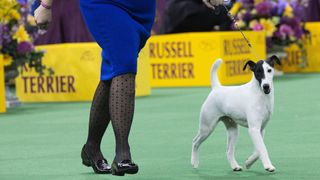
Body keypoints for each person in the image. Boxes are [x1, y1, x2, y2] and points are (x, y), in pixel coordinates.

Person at [34, 0, 225, 176]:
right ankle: (122, 154)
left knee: (114, 69)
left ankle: (91, 148)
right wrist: (46, 5)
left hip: (141, 8)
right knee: (124, 64)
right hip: (103, 4)